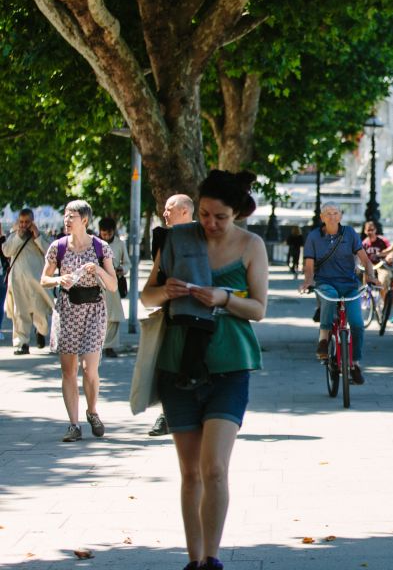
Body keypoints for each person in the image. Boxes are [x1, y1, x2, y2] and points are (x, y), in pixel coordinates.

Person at [141, 170, 268, 570]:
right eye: (205, 214)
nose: (210, 224)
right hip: (179, 364)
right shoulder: (177, 240)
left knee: (214, 468)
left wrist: (224, 297)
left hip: (230, 364)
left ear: (237, 215)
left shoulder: (252, 245)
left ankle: (211, 559)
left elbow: (259, 309)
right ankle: (194, 560)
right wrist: (167, 291)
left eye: (220, 217)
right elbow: (147, 297)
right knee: (190, 472)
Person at [39, 200, 118, 442]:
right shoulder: (58, 247)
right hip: (67, 309)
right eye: (65, 215)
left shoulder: (100, 247)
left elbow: (113, 285)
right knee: (69, 370)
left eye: (71, 216)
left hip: (94, 309)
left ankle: (92, 412)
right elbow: (44, 279)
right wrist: (58, 280)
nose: (66, 220)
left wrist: (97, 270)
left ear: (84, 220)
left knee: (89, 369)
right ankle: (73, 424)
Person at [299, 203, 377, 384]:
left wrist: (371, 276)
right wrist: (308, 281)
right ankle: (324, 339)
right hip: (325, 281)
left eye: (335, 213)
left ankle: (355, 363)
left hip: (349, 284)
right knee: (330, 296)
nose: (332, 216)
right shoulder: (313, 237)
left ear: (341, 216)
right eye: (328, 213)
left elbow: (365, 260)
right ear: (322, 217)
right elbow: (309, 265)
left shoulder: (349, 233)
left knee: (357, 324)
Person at [148, 194, 195, 438]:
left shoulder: (203, 236)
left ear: (185, 211)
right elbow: (156, 276)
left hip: (198, 308)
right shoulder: (162, 236)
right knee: (166, 365)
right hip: (170, 307)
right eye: (165, 209)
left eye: (169, 209)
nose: (164, 213)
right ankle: (167, 415)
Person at [2, 208, 54, 354]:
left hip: (37, 282)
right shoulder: (14, 235)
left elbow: (50, 252)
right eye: (22, 222)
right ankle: (22, 344)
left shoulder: (41, 235)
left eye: (27, 222)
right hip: (18, 282)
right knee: (20, 313)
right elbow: (6, 251)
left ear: (32, 222)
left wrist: (37, 236)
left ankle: (40, 332)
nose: (24, 225)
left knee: (40, 310)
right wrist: (18, 235)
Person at [97, 217, 129, 358]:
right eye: (103, 234)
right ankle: (96, 345)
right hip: (97, 283)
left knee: (114, 316)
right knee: (96, 316)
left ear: (113, 232)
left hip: (113, 283)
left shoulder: (120, 244)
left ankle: (110, 346)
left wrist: (122, 269)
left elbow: (127, 263)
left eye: (108, 234)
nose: (106, 237)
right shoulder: (93, 243)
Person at [361, 220, 392, 305]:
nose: (370, 232)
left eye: (372, 229)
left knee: (383, 280)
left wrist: (389, 257)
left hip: (381, 265)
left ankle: (384, 301)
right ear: (365, 231)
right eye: (368, 230)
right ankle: (366, 298)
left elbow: (390, 250)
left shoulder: (383, 240)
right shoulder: (364, 243)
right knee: (365, 277)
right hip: (369, 266)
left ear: (375, 230)